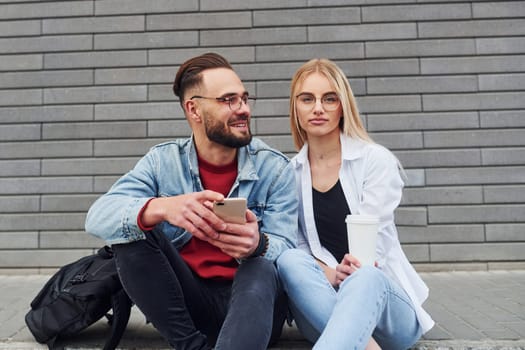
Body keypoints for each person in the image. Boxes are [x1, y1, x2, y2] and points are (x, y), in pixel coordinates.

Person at [85, 52, 298, 350]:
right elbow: (98, 216)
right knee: (131, 233)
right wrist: (161, 208)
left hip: (254, 308)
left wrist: (258, 245)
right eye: (228, 100)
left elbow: (291, 249)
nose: (244, 109)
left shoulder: (274, 169)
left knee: (261, 266)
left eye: (244, 98)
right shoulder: (163, 162)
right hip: (190, 305)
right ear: (194, 109)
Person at [276, 58, 434, 350]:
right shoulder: (289, 173)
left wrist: (351, 272)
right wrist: (331, 274)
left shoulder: (375, 161)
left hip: (384, 309)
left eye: (329, 99)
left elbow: (369, 247)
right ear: (295, 108)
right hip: (324, 305)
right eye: (307, 99)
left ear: (343, 106)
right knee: (288, 260)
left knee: (365, 276)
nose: (318, 108)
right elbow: (296, 245)